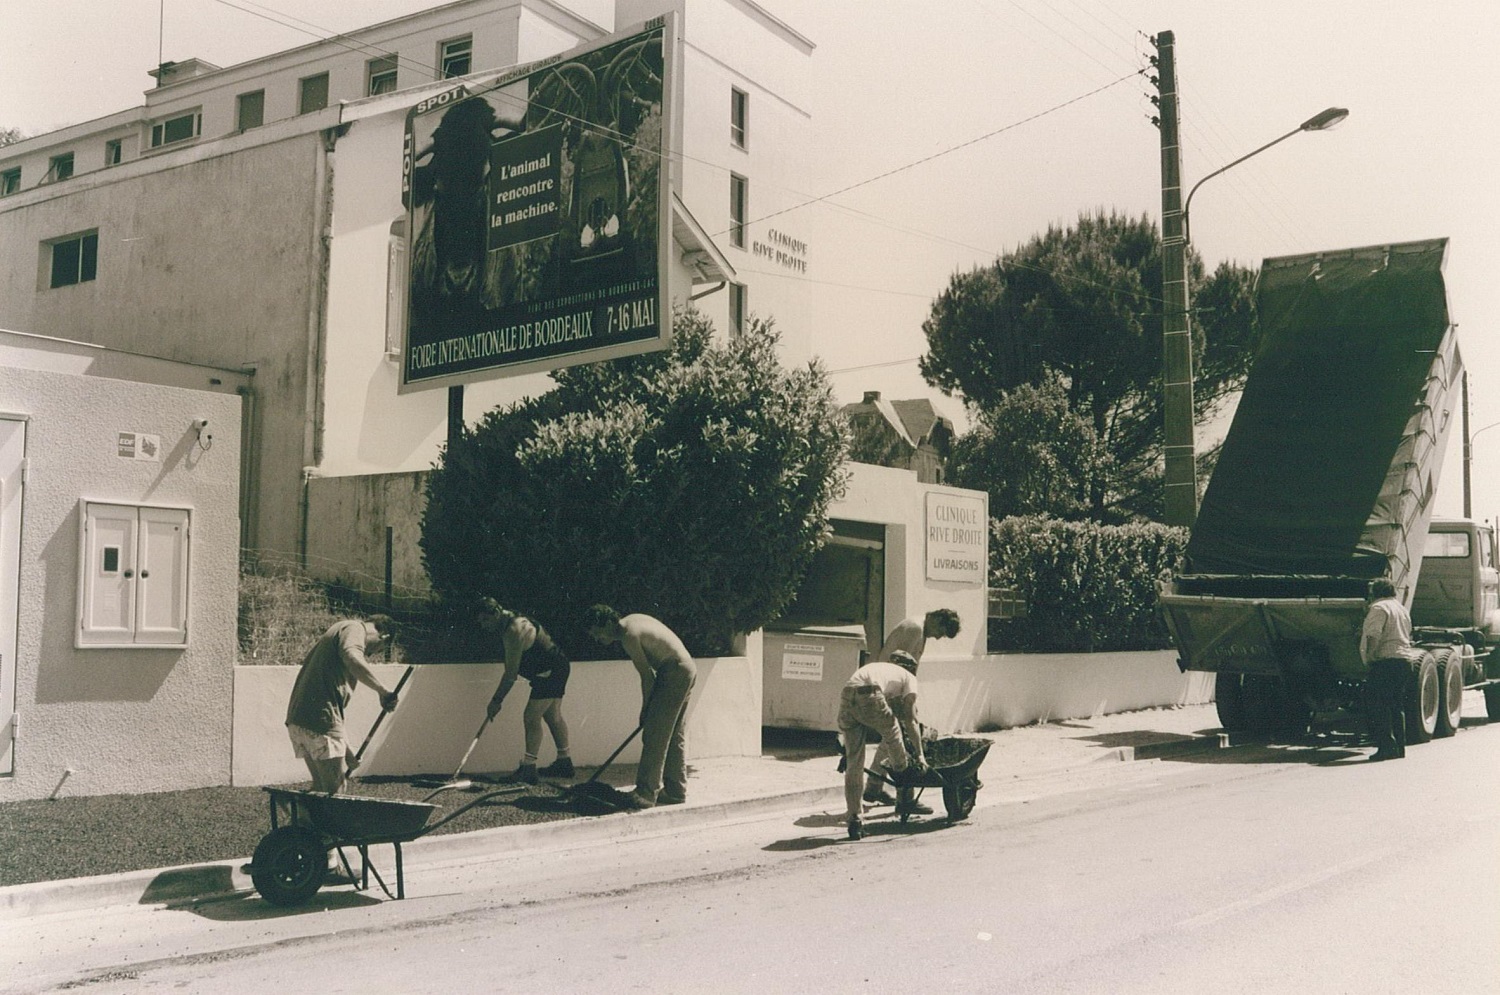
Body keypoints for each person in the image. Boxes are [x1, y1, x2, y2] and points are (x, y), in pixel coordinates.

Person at [583, 605, 697, 809]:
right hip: (686, 667)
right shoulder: (632, 618)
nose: (597, 639)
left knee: (655, 733)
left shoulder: (628, 635)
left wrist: (646, 710)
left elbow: (647, 677)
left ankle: (645, 793)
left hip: (673, 671)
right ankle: (674, 791)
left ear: (608, 623)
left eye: (597, 632)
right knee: (673, 733)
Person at [285, 615, 401, 794]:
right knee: (336, 790)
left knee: (320, 788)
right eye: (377, 651)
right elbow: (352, 657)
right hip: (318, 719)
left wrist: (346, 750)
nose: (369, 655)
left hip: (299, 718)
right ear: (384, 636)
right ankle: (327, 822)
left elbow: (331, 706)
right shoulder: (355, 629)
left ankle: (302, 818)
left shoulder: (340, 628)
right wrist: (383, 691)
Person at [864, 608, 961, 809]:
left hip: (890, 687)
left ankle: (874, 788)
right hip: (892, 689)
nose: (937, 637)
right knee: (906, 739)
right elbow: (900, 667)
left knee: (891, 738)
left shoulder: (918, 628)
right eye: (940, 631)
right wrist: (906, 703)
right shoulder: (915, 629)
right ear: (936, 619)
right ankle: (905, 799)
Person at [477, 600, 574, 783]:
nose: (483, 625)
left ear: (497, 613)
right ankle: (564, 762)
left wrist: (496, 700)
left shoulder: (514, 630)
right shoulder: (511, 621)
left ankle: (528, 768)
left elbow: (511, 674)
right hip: (556, 667)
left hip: (550, 671)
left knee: (531, 717)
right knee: (553, 716)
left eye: (485, 620)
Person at [838, 650, 928, 840]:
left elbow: (865, 705)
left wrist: (845, 752)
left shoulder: (882, 670)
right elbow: (911, 719)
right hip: (869, 693)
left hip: (847, 694)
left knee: (854, 763)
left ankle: (854, 820)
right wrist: (919, 754)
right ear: (910, 668)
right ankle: (903, 773)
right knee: (893, 729)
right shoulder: (908, 677)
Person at [1360, 578, 1418, 761]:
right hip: (1403, 661)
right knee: (1395, 705)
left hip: (1386, 661)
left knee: (1379, 705)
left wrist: (1370, 656)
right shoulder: (1401, 608)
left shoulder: (1378, 608)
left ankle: (1386, 747)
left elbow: (1374, 635)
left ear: (1375, 593)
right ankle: (1399, 748)